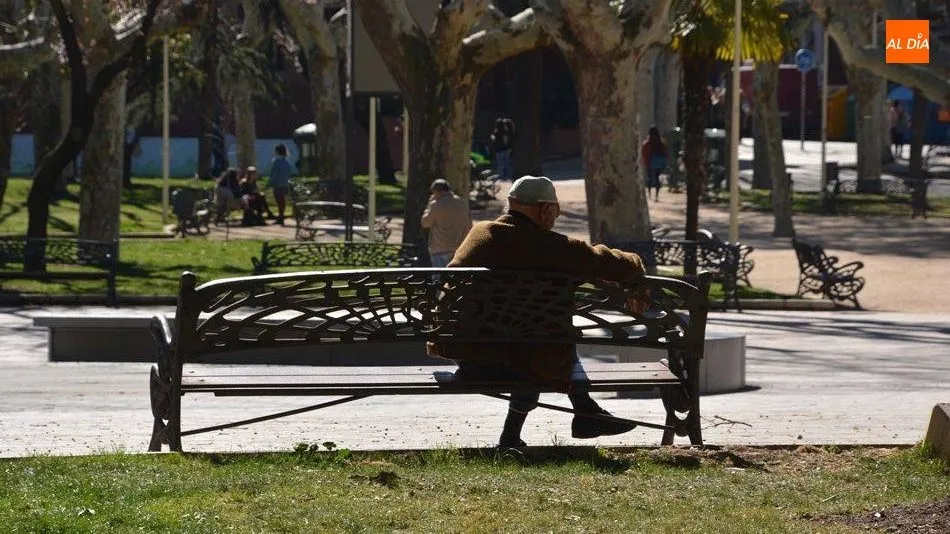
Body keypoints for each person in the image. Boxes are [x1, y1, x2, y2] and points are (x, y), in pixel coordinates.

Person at [427, 175, 648, 449]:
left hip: (467, 355)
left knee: (534, 333)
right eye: (556, 210)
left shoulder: (479, 234)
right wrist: (636, 270)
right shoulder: (552, 246)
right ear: (545, 210)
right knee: (543, 336)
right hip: (517, 359)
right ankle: (583, 411)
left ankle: (555, 422)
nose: (556, 216)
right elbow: (609, 263)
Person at [420, 179, 472, 267]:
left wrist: (429, 205)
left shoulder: (435, 205)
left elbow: (425, 223)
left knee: (439, 275)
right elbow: (469, 224)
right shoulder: (462, 203)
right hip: (459, 247)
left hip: (440, 248)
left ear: (436, 191)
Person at [640, 126, 669, 201]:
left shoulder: (648, 143)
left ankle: (649, 194)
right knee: (657, 178)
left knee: (650, 178)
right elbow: (665, 152)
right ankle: (656, 195)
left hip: (650, 162)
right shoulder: (660, 142)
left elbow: (644, 153)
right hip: (658, 164)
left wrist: (645, 161)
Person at [268, 143, 292, 225]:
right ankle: (281, 216)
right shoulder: (287, 162)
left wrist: (270, 183)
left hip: (277, 184)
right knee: (282, 201)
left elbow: (273, 173)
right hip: (285, 184)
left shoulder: (276, 161)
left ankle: (280, 217)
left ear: (277, 151)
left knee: (279, 201)